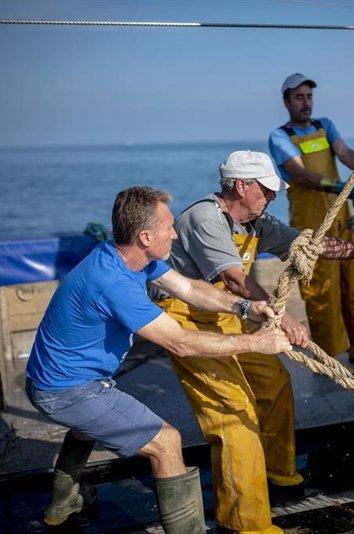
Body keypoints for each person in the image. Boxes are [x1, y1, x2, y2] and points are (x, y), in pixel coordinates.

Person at [25, 186, 291, 533]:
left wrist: (244, 306)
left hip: (57, 381)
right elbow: (180, 343)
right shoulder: (114, 283)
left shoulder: (128, 256)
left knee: (87, 425)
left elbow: (190, 289)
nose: (176, 232)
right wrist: (256, 342)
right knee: (166, 443)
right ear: (146, 236)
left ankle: (63, 502)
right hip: (67, 390)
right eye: (168, 226)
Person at [156, 150, 354, 534]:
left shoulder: (257, 220)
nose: (272, 197)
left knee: (274, 383)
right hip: (185, 318)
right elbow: (235, 281)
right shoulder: (205, 218)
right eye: (266, 189)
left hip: (231, 313)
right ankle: (245, 523)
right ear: (240, 186)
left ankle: (280, 475)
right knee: (233, 413)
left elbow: (311, 247)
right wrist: (287, 319)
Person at [268, 73, 354, 366]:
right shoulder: (280, 137)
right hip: (310, 222)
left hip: (341, 214)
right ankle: (328, 354)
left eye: (308, 96)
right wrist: (337, 185)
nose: (305, 103)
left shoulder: (325, 125)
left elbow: (343, 152)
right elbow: (299, 173)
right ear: (286, 102)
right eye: (298, 97)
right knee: (321, 288)